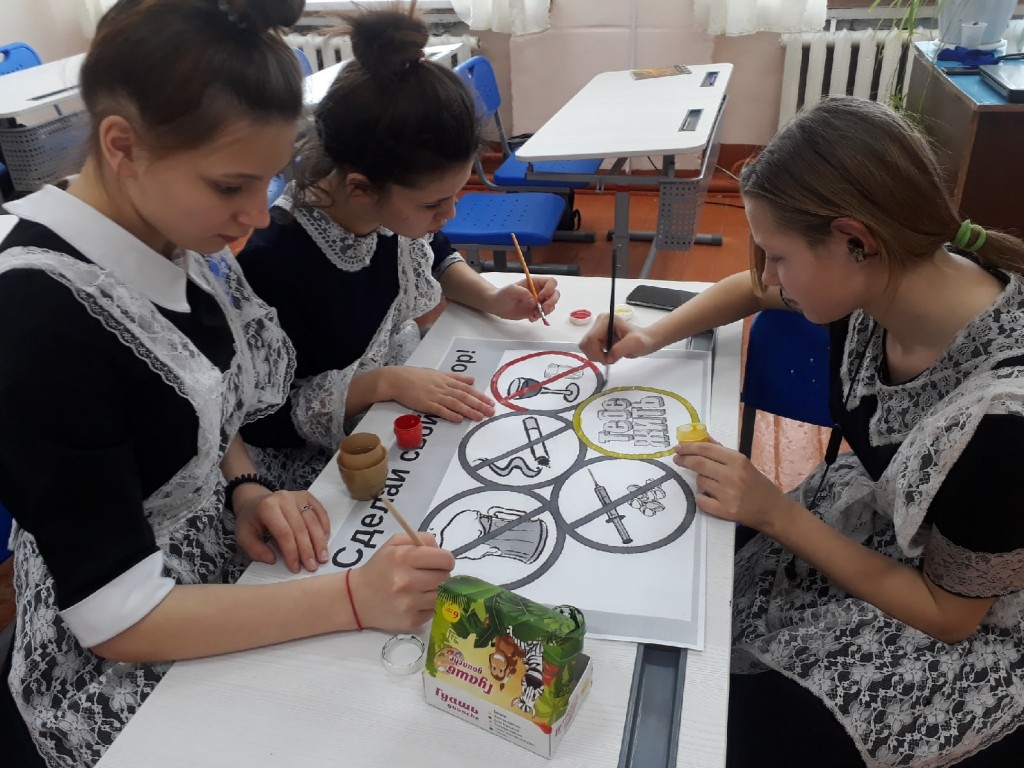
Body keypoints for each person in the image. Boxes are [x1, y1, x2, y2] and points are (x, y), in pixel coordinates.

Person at [0, 2, 453, 767]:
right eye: (232, 185)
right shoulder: (37, 318)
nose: (257, 215)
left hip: (215, 551)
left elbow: (202, 392)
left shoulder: (170, 230)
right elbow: (116, 618)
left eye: (267, 181)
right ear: (122, 146)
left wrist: (244, 485)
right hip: (120, 636)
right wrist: (351, 598)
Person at [580, 97, 1024, 767]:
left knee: (735, 726)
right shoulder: (888, 271)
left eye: (778, 255)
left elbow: (949, 614)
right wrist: (649, 335)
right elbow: (753, 289)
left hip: (970, 624)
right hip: (881, 523)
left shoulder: (1002, 427)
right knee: (697, 586)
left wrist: (777, 513)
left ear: (853, 239)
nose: (769, 274)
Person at [237, 5, 560, 491]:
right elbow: (262, 420)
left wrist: (491, 297)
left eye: (456, 195)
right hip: (321, 454)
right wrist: (383, 382)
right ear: (362, 187)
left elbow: (436, 252)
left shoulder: (390, 214)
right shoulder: (274, 262)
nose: (449, 215)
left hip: (396, 391)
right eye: (434, 203)